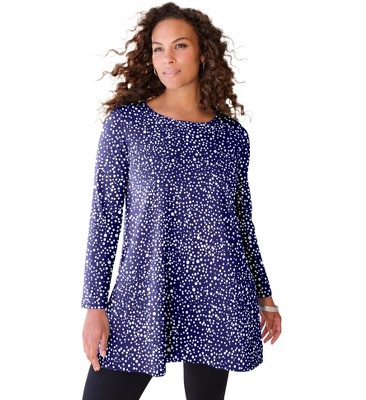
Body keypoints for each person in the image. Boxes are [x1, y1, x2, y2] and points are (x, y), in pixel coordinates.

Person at [81, 2, 282, 399]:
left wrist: (265, 295)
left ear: (203, 52)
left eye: (180, 46)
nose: (167, 59)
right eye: (158, 49)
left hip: (218, 293)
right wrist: (94, 305)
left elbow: (241, 222)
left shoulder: (231, 137)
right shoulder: (127, 125)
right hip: (143, 290)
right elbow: (104, 216)